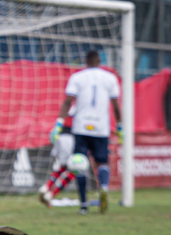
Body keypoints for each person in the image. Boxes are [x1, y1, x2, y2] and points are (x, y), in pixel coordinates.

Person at [50, 50, 121, 215]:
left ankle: (83, 205)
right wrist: (120, 126)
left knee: (79, 164)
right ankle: (103, 188)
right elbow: (116, 106)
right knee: (102, 163)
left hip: (81, 127)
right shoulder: (110, 78)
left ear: (86, 61)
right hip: (101, 128)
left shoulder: (77, 77)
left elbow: (68, 101)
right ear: (98, 60)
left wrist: (59, 123)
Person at [38, 107, 76, 207]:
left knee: (63, 167)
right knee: (74, 170)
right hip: (71, 138)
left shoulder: (69, 107)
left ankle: (46, 187)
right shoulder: (81, 109)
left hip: (59, 136)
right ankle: (51, 194)